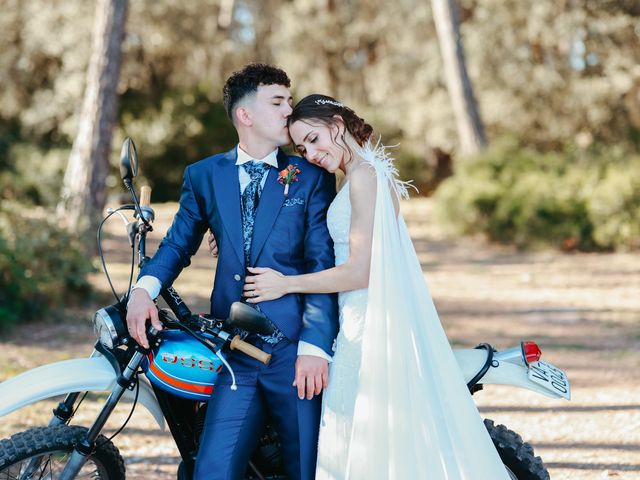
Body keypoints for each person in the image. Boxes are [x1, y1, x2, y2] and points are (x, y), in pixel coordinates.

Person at [211, 94, 512, 479]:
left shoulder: (364, 177)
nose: (312, 154)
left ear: (337, 125)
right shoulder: (363, 174)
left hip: (366, 323)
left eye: (315, 140)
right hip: (358, 317)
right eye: (302, 148)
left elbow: (359, 272)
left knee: (362, 439)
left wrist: (285, 284)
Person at [126, 65, 339, 480]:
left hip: (293, 352)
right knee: (210, 471)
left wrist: (315, 348)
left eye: (289, 102)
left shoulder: (311, 177)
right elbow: (177, 244)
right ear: (245, 115)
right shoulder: (204, 175)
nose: (288, 112)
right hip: (234, 350)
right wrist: (142, 290)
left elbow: (320, 265)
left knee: (307, 471)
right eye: (278, 102)